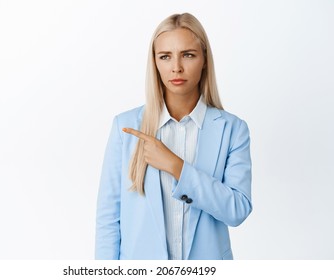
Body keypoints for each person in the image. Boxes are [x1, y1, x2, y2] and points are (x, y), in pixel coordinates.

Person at [95, 13, 252, 260]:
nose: (176, 67)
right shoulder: (125, 127)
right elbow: (108, 220)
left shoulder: (233, 129)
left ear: (204, 60)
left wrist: (176, 167)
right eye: (165, 56)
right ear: (155, 63)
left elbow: (237, 210)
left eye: (188, 54)